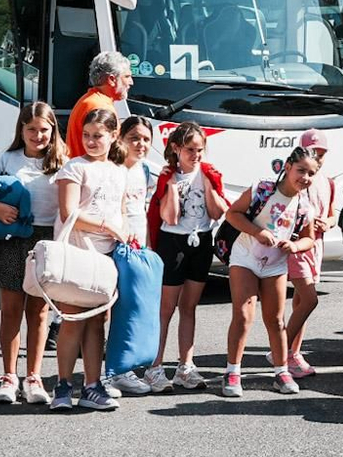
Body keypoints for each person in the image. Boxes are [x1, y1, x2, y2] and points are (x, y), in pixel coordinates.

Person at [222, 147, 324, 398]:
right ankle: (232, 372)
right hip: (245, 256)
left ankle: (281, 371)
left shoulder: (304, 205)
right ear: (287, 167)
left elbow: (309, 238)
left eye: (311, 173)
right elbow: (232, 214)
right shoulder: (263, 189)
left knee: (276, 320)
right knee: (244, 315)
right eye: (301, 170)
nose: (305, 177)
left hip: (276, 264)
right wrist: (257, 232)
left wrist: (295, 246)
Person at [0, 102, 66, 406]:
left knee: (39, 312)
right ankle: (8, 376)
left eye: (44, 129)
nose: (38, 135)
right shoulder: (8, 159)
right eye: (31, 129)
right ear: (21, 130)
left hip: (48, 240)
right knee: (10, 312)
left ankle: (34, 376)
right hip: (12, 240)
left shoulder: (62, 160)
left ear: (52, 131)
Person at [50, 110, 126, 411]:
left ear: (113, 135)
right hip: (77, 253)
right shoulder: (74, 167)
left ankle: (92, 386)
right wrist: (108, 227)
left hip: (106, 256)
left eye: (98, 135)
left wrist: (126, 234)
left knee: (96, 323)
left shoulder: (119, 170)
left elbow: (122, 212)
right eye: (87, 135)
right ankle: (63, 385)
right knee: (72, 320)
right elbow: (69, 213)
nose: (91, 141)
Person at [149, 122, 228, 391]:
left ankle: (185, 365)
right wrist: (172, 185)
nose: (196, 155)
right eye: (190, 150)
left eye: (200, 150)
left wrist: (208, 186)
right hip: (173, 241)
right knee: (165, 309)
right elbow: (169, 216)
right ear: (176, 148)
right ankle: (155, 366)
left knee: (189, 307)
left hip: (201, 239)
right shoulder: (168, 177)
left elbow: (218, 212)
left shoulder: (209, 174)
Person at [281, 127, 338, 381]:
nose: (318, 156)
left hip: (316, 246)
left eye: (322, 152)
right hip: (297, 245)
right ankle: (281, 351)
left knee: (300, 304)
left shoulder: (327, 181)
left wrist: (327, 222)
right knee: (309, 299)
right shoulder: (297, 178)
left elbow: (333, 213)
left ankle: (293, 352)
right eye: (314, 151)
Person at [106, 116, 158, 394]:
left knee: (130, 310)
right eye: (134, 138)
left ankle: (121, 369)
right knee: (109, 309)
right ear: (120, 138)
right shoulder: (113, 169)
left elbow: (143, 212)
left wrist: (146, 246)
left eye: (146, 139)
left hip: (138, 248)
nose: (140, 144)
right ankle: (107, 373)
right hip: (114, 247)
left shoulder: (144, 170)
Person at [67, 51, 134, 158]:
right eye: (127, 76)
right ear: (112, 79)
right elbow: (112, 152)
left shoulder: (90, 100)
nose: (131, 82)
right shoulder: (100, 108)